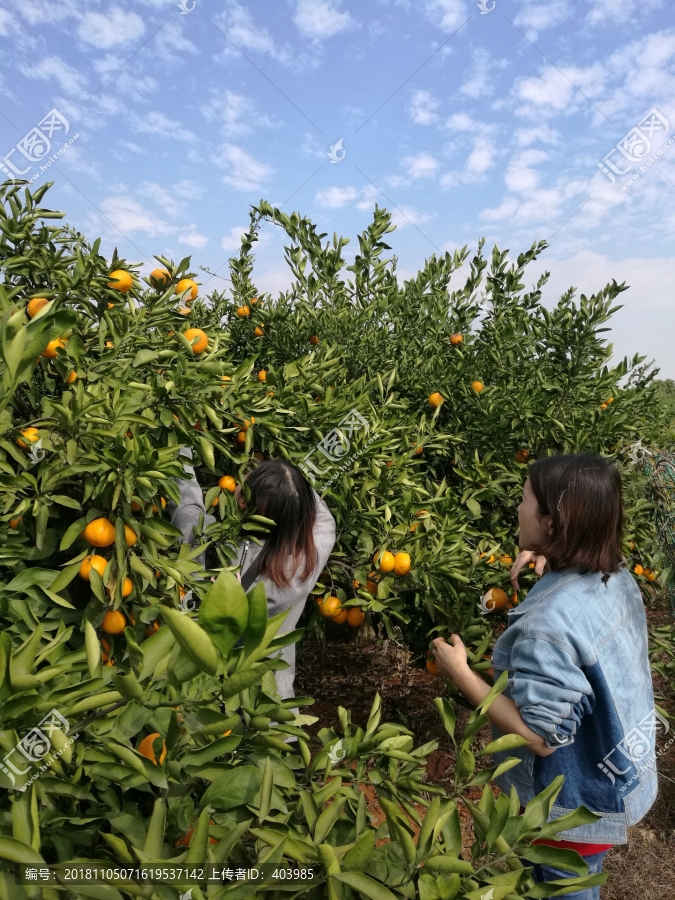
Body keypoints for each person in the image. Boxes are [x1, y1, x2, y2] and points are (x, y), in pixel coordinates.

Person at [432, 454, 658, 900]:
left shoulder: (547, 626)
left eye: (525, 499)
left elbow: (541, 737)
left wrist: (462, 676)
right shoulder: (616, 577)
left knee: (562, 888)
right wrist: (552, 557)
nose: (517, 509)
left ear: (554, 522)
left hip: (566, 809)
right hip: (615, 776)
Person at [233, 459, 336, 700]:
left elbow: (187, 507)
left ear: (243, 501)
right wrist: (286, 482)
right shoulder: (305, 563)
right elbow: (324, 521)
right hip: (274, 702)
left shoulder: (215, 550)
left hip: (213, 696)